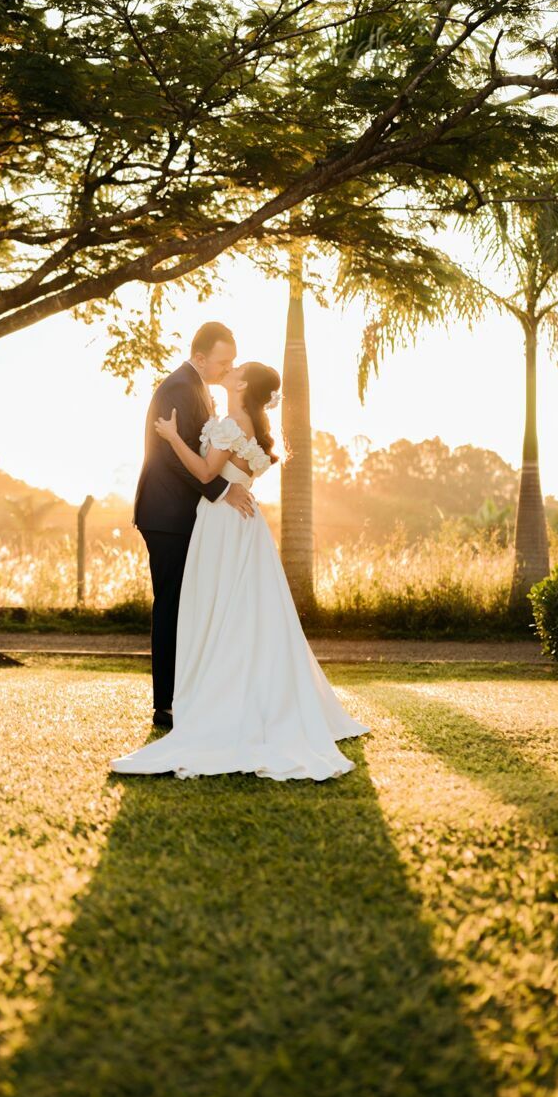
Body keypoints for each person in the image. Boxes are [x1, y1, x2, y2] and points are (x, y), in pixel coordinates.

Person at [115, 359, 369, 781]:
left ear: (243, 384)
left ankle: (222, 696)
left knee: (221, 609)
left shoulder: (233, 423)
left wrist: (173, 437)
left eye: (237, 369)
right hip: (243, 525)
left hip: (221, 523)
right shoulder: (244, 422)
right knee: (243, 611)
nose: (229, 370)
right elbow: (230, 474)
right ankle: (247, 694)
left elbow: (204, 471)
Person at [133, 322, 255, 729]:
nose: (228, 368)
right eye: (223, 362)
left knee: (189, 606)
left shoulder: (198, 387)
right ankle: (165, 705)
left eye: (233, 361)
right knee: (171, 606)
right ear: (200, 358)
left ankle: (188, 694)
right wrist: (223, 490)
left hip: (185, 514)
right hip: (166, 514)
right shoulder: (177, 389)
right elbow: (169, 456)